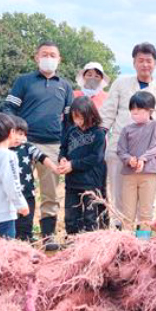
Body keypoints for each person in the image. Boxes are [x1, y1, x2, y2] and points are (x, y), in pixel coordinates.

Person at [2, 41, 73, 250]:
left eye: (53, 55)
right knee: (19, 188)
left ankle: (48, 235)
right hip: (23, 144)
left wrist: (65, 150)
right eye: (45, 54)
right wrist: (14, 133)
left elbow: (69, 121)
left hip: (52, 145)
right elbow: (8, 108)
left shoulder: (66, 86)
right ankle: (19, 233)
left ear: (59, 60)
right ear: (36, 57)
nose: (49, 58)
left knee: (50, 192)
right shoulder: (24, 81)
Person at [101, 42, 156, 215]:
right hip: (120, 149)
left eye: (149, 60)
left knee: (146, 199)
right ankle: (121, 233)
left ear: (155, 63)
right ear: (134, 63)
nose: (145, 64)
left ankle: (143, 236)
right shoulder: (120, 83)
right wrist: (99, 137)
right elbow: (108, 113)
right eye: (140, 60)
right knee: (119, 194)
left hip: (148, 156)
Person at [117, 91, 156, 236]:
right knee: (127, 211)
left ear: (150, 110)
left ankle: (143, 242)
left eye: (139, 109)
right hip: (129, 174)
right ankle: (127, 241)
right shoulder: (126, 129)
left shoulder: (155, 126)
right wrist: (128, 159)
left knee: (146, 211)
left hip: (148, 173)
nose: (135, 112)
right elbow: (120, 150)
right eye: (132, 109)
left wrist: (143, 158)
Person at [58, 97, 107, 236]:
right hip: (72, 183)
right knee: (71, 217)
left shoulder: (98, 133)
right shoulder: (71, 131)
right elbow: (63, 148)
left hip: (91, 183)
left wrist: (73, 164)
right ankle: (73, 244)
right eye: (74, 117)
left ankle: (91, 245)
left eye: (80, 117)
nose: (77, 120)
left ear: (90, 114)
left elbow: (96, 158)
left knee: (90, 217)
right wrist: (62, 159)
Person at [9, 116, 58, 242]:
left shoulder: (27, 147)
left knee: (26, 221)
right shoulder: (4, 150)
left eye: (22, 134)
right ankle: (13, 244)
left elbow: (41, 157)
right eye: (15, 133)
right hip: (9, 196)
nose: (18, 138)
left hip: (27, 193)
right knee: (12, 222)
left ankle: (26, 240)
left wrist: (53, 167)